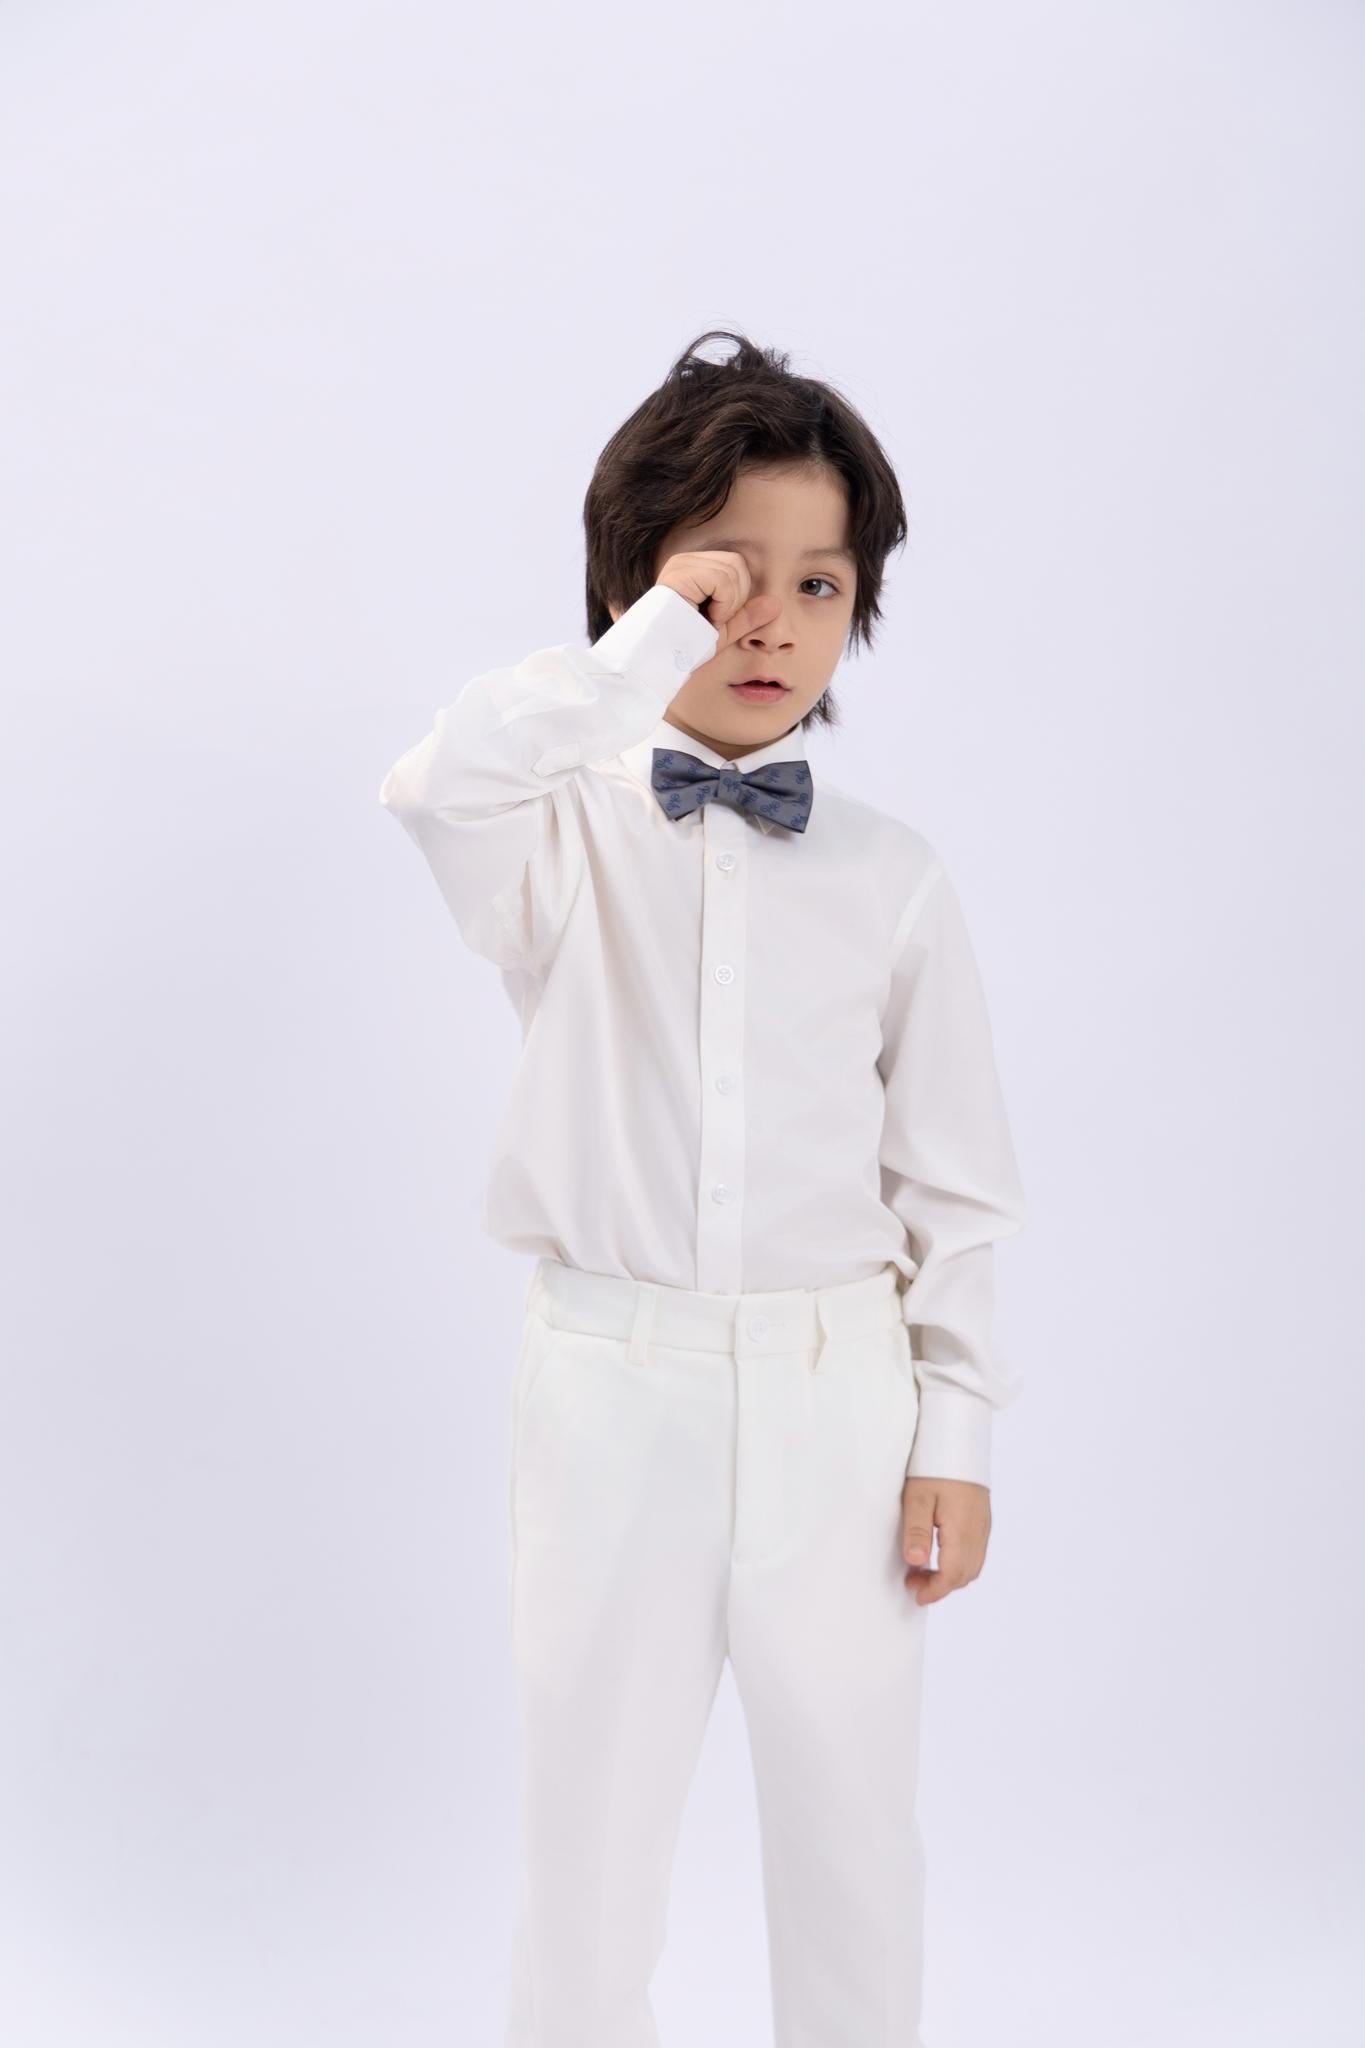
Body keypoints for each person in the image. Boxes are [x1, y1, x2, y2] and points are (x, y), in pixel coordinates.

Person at [378, 328, 1027, 2048]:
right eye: (726, 581)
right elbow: (434, 783)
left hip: (839, 1401)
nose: (770, 624)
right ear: (641, 591)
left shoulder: (892, 878)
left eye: (816, 583)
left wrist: (951, 1430)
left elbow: (954, 1182)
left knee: (849, 1839)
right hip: (610, 1389)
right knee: (588, 1840)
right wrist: (643, 636)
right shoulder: (554, 832)